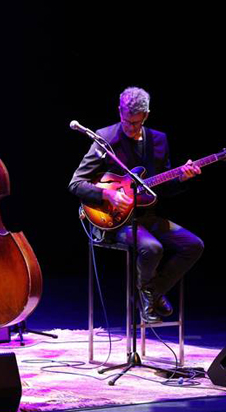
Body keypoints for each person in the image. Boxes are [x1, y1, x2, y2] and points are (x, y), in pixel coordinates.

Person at [69, 87, 204, 323]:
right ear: (119, 111)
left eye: (135, 123)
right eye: (126, 121)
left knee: (194, 244)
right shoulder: (105, 138)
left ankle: (151, 292)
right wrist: (106, 196)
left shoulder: (159, 141)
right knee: (152, 248)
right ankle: (148, 301)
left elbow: (161, 190)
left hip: (147, 216)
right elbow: (76, 183)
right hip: (114, 220)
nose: (130, 128)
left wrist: (182, 178)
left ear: (146, 116)